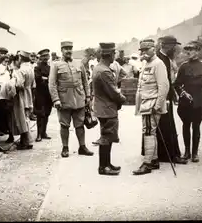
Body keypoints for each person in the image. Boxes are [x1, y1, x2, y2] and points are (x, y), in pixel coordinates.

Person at [48, 41, 93, 158]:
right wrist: (56, 99)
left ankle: (82, 147)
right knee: (64, 125)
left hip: (79, 99)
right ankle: (65, 147)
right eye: (66, 48)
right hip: (64, 100)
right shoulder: (56, 65)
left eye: (70, 48)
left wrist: (88, 96)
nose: (68, 50)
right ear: (61, 50)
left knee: (80, 124)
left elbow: (85, 82)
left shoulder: (79, 64)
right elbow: (52, 84)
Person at [133, 39, 170, 175]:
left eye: (145, 50)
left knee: (148, 132)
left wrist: (158, 105)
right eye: (141, 50)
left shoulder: (158, 64)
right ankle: (153, 160)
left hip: (152, 104)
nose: (143, 53)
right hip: (146, 104)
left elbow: (164, 86)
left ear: (153, 49)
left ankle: (147, 163)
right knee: (149, 131)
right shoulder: (146, 64)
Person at [174, 40, 202, 162]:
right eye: (187, 50)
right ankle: (186, 152)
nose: (188, 52)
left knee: (196, 127)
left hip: (198, 102)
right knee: (186, 126)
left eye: (191, 50)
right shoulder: (183, 66)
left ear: (197, 51)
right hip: (186, 102)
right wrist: (183, 93)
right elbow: (176, 84)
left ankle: (195, 153)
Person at [152, 35, 188, 165]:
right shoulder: (158, 59)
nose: (175, 48)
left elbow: (169, 80)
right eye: (173, 46)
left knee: (167, 125)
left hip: (166, 96)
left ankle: (168, 154)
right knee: (165, 125)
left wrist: (173, 94)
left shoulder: (166, 58)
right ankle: (170, 155)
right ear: (166, 46)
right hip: (161, 97)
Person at [92, 42, 126, 176]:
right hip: (107, 109)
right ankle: (103, 167)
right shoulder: (104, 71)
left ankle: (107, 164)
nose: (115, 56)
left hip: (103, 108)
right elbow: (113, 92)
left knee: (108, 137)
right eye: (113, 53)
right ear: (109, 54)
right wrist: (123, 98)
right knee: (106, 138)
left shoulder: (99, 68)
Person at [9, 54, 34, 150]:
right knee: (26, 117)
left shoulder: (20, 70)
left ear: (20, 58)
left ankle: (26, 141)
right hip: (28, 94)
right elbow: (33, 84)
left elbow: (19, 84)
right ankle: (26, 141)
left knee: (22, 119)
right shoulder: (30, 68)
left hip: (21, 95)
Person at [34, 49, 53, 142]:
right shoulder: (37, 67)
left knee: (47, 113)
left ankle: (44, 133)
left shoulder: (50, 68)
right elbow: (37, 78)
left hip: (48, 94)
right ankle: (38, 134)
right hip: (40, 94)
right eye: (44, 56)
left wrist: (45, 78)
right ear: (40, 57)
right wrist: (47, 78)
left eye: (47, 56)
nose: (46, 58)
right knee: (40, 114)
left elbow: (53, 79)